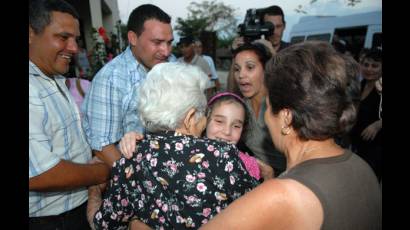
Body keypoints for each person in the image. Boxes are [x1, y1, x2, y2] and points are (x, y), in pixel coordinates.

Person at [200, 41, 382, 230]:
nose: (266, 118)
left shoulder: (282, 195)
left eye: (269, 107)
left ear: (286, 118)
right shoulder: (363, 168)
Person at [89, 63, 259, 229]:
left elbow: (102, 224)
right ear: (190, 117)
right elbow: (259, 212)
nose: (205, 119)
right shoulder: (221, 155)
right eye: (204, 113)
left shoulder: (129, 161)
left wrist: (94, 191)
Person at [29, 0, 111, 229]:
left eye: (76, 39)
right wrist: (103, 171)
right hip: (50, 220)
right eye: (63, 37)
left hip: (74, 209)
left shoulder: (52, 78)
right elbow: (39, 174)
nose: (74, 48)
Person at [81, 4, 174, 166]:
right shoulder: (111, 79)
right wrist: (136, 181)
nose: (166, 51)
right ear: (133, 38)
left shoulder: (170, 65)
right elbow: (103, 146)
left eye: (169, 43)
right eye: (157, 42)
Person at [232, 43, 286, 176]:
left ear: (266, 69)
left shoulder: (282, 106)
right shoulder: (240, 108)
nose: (241, 75)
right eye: (237, 69)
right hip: (259, 179)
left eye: (250, 67)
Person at [349, 47, 382, 182]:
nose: (369, 69)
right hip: (357, 143)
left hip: (376, 148)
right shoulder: (359, 85)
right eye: (366, 65)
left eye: (375, 66)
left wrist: (378, 124)